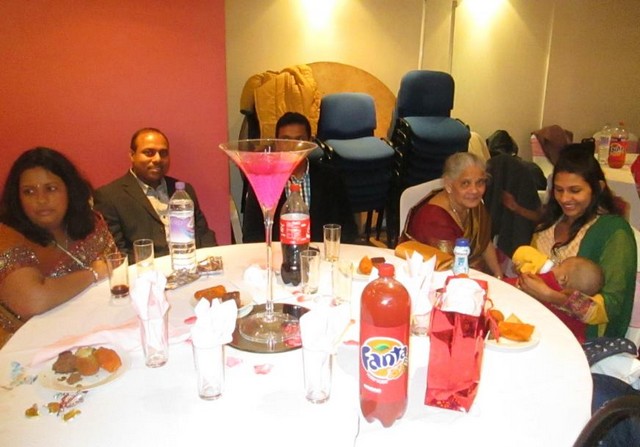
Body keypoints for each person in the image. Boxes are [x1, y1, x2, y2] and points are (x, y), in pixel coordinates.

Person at [519, 143, 637, 339]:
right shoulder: (547, 227)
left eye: (575, 190)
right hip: (536, 322)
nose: (565, 199)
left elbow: (612, 307)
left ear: (598, 188)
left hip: (581, 338)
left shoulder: (613, 232)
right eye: (559, 190)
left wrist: (551, 296)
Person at [0, 147, 116, 330]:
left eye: (51, 189)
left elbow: (115, 270)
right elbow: (34, 301)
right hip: (23, 341)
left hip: (88, 325)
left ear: (69, 190)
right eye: (29, 191)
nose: (41, 200)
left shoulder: (90, 224)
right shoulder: (6, 234)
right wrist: (92, 274)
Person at [94, 128, 217, 258]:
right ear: (132, 155)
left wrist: (211, 260)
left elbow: (204, 235)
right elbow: (117, 253)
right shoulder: (109, 196)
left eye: (163, 153)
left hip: (189, 263)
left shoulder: (183, 191)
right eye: (149, 153)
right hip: (145, 268)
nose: (157, 159)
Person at [242, 112, 358, 243]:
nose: (293, 146)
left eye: (299, 140)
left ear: (310, 142)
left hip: (320, 253)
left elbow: (348, 229)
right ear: (277, 143)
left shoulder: (331, 177)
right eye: (286, 140)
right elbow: (251, 235)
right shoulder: (264, 180)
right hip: (278, 253)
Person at [399, 151, 503, 277]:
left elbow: (485, 242)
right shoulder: (434, 220)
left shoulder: (473, 205)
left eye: (480, 182)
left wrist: (498, 275)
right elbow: (447, 271)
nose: (474, 190)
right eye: (465, 183)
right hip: (437, 279)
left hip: (473, 274)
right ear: (449, 185)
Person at [508, 245, 605, 342]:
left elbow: (510, 286)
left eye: (559, 265)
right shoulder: (580, 308)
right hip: (567, 342)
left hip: (534, 335)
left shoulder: (548, 281)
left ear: (563, 279)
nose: (554, 265)